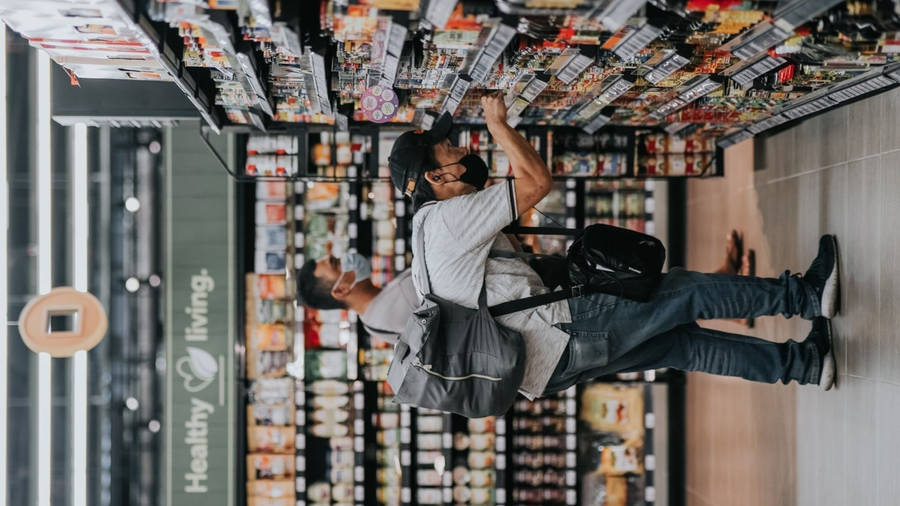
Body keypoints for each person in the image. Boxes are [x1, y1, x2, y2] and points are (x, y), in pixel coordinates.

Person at [387, 94, 840, 402]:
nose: (460, 148)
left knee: (682, 346)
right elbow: (536, 183)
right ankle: (806, 295)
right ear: (436, 177)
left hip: (542, 369)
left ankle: (806, 364)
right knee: (684, 292)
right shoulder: (446, 221)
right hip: (559, 332)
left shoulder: (427, 231)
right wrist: (498, 125)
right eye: (448, 149)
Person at [296, 251, 418, 343]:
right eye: (336, 263)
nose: (345, 258)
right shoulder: (400, 299)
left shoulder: (371, 324)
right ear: (341, 290)